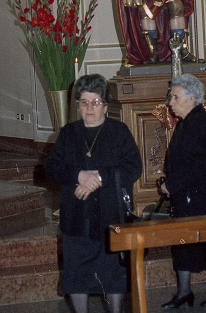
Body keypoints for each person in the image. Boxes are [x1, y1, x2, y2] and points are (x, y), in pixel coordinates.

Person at [45, 74, 142, 313]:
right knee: (77, 274)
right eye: (84, 102)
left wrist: (98, 178)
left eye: (95, 102)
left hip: (111, 217)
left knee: (112, 275)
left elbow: (133, 168)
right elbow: (51, 168)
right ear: (77, 105)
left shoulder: (119, 132)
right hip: (77, 219)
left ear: (106, 106)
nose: (90, 108)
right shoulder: (68, 133)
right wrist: (79, 176)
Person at [159, 74, 206, 308]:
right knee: (184, 243)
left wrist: (170, 185)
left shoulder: (200, 123)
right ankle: (184, 292)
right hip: (193, 196)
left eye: (175, 97)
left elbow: (197, 165)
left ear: (191, 98)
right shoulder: (191, 121)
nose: (170, 102)